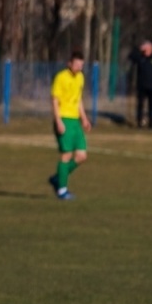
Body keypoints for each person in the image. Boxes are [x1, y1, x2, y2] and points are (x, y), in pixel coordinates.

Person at [48, 50, 91, 201]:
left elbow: (78, 100)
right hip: (64, 119)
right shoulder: (61, 77)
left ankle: (58, 177)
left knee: (82, 156)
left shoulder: (80, 78)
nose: (79, 67)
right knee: (66, 155)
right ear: (69, 63)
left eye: (82, 64)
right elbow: (54, 100)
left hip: (75, 121)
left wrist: (84, 119)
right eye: (77, 64)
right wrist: (58, 121)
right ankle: (62, 190)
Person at [128, 40, 152, 129]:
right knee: (140, 104)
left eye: (147, 48)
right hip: (142, 85)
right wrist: (139, 49)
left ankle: (151, 123)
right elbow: (131, 56)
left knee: (151, 105)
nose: (146, 50)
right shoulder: (140, 58)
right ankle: (140, 121)